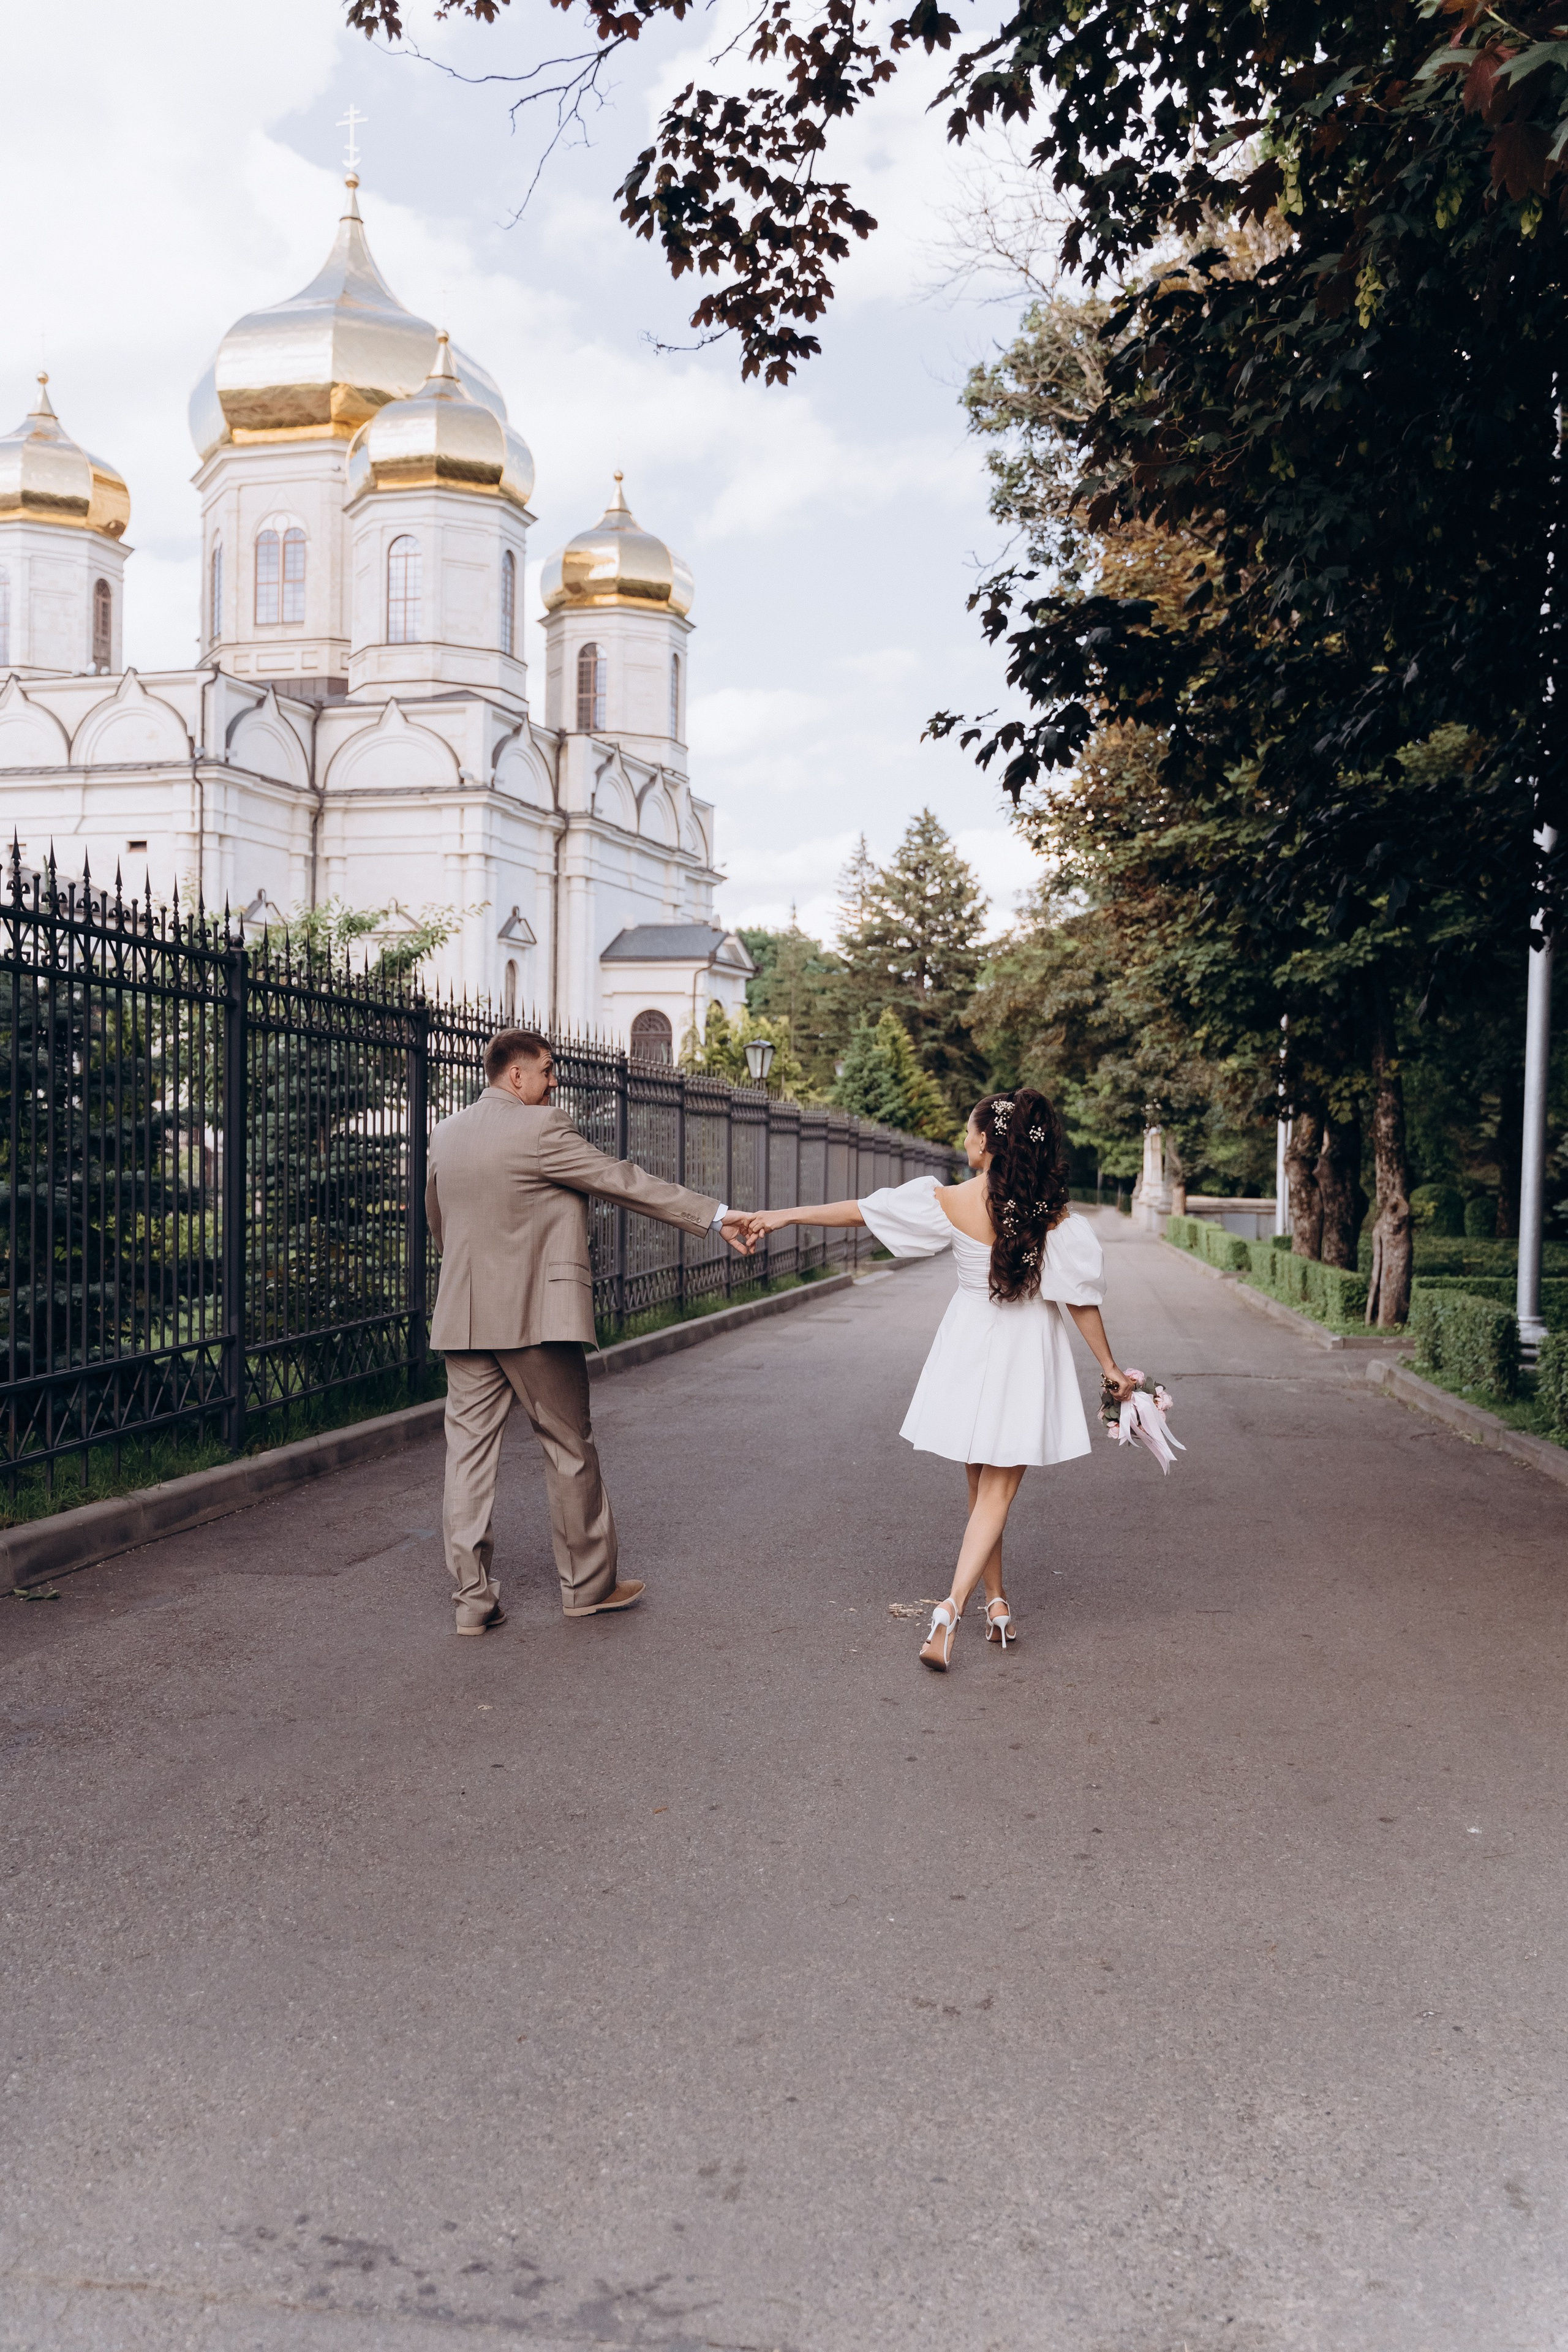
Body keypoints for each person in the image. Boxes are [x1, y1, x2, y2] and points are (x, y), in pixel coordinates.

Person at [742, 1088, 1137, 1670]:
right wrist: (1108, 1366)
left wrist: (784, 1215)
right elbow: (1079, 1299)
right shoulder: (1048, 1211)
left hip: (967, 1346)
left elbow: (862, 1211)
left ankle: (996, 1604)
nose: (964, 1140)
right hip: (1025, 1352)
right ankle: (951, 1609)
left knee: (980, 1490)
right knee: (995, 1494)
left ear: (986, 1141)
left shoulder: (949, 1200)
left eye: (968, 1132)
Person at [426, 1027, 755, 1635]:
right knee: (568, 1446)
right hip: (536, 1319)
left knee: (466, 1459)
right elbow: (620, 1179)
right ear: (516, 1075)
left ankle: (472, 1600)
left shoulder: (445, 1133)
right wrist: (715, 1215)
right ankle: (587, 1586)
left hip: (464, 1316)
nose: (555, 1082)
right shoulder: (542, 1128)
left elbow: (439, 1221)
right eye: (548, 1070)